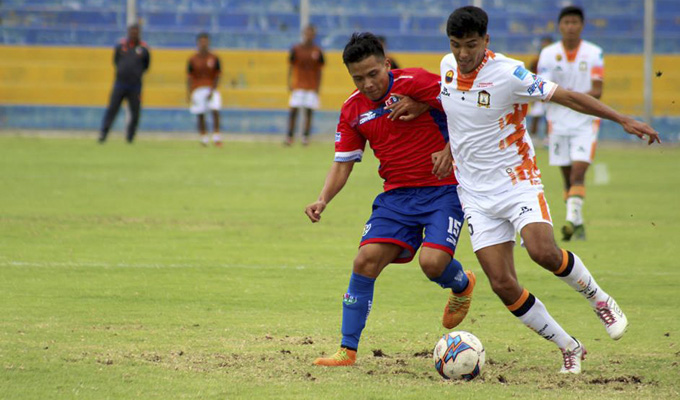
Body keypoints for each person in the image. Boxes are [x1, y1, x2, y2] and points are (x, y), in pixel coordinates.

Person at [393, 6, 659, 374]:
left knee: (542, 251)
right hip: (475, 195)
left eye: (471, 45)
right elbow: (458, 111)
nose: (463, 53)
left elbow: (567, 96)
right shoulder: (447, 67)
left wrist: (622, 119)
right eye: (456, 45)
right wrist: (430, 118)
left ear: (486, 40)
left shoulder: (509, 73)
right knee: (502, 284)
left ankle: (599, 299)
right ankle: (569, 346)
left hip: (516, 181)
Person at [305, 32, 475, 367]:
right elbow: (343, 162)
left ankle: (462, 283)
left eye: (373, 74)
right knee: (364, 261)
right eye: (358, 78)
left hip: (443, 189)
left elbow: (468, 108)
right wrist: (323, 199)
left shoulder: (417, 81)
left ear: (386, 63)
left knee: (432, 264)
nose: (368, 84)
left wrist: (445, 142)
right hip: (396, 196)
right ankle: (347, 350)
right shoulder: (352, 109)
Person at [538, 6, 603, 241]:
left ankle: (569, 221)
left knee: (578, 172)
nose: (570, 27)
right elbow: (542, 89)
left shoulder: (594, 53)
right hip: (557, 122)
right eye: (566, 22)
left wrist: (570, 98)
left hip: (585, 121)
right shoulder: (548, 54)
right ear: (560, 26)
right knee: (567, 177)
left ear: (582, 26)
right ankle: (577, 222)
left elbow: (598, 90)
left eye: (575, 22)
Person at [98, 23, 150, 144]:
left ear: (139, 33)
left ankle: (130, 137)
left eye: (136, 32)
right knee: (112, 109)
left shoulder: (143, 48)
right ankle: (103, 133)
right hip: (120, 84)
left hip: (135, 86)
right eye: (132, 31)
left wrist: (136, 73)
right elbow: (115, 61)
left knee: (135, 112)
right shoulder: (121, 46)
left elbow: (146, 65)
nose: (134, 34)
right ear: (128, 32)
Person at [286, 25, 325, 146]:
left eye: (311, 34)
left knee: (309, 112)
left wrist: (318, 86)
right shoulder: (296, 49)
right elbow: (291, 66)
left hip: (311, 86)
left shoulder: (317, 51)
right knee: (293, 111)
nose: (309, 36)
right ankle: (290, 136)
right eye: (307, 33)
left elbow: (319, 70)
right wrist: (289, 82)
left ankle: (305, 137)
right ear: (303, 34)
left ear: (314, 35)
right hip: (298, 85)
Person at [187, 32, 223, 147]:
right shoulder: (193, 59)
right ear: (198, 43)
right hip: (197, 89)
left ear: (209, 43)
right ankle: (203, 137)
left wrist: (212, 90)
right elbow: (189, 77)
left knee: (215, 110)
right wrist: (190, 93)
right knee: (200, 113)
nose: (203, 44)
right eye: (201, 42)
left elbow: (217, 75)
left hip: (211, 88)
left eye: (205, 42)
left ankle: (216, 136)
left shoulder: (214, 58)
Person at [527, 35, 552, 142]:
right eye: (544, 43)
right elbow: (530, 76)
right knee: (536, 115)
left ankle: (548, 137)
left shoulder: (555, 59)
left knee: (549, 116)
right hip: (538, 91)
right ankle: (533, 137)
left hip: (551, 91)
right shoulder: (536, 61)